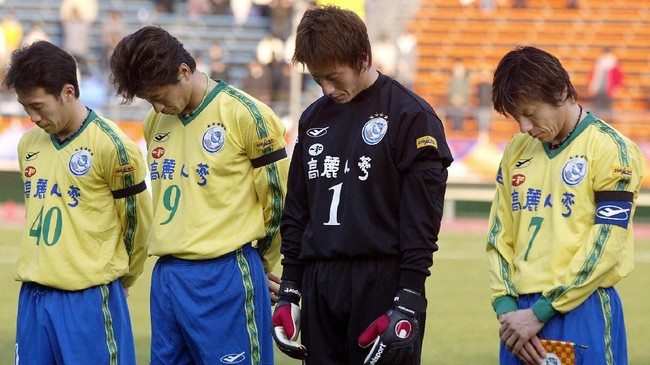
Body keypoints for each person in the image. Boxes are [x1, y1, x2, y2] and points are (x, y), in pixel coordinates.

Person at [271, 6, 453, 365]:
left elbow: (422, 221)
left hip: (382, 284)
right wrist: (291, 288)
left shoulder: (411, 117)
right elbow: (299, 209)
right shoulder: (313, 119)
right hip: (320, 284)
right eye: (317, 78)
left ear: (364, 58)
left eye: (334, 77)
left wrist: (410, 298)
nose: (326, 88)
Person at [109, 26, 289, 364]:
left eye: (159, 96)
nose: (158, 107)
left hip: (225, 274)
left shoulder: (246, 115)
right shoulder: (155, 122)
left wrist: (258, 266)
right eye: (150, 100)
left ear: (184, 71)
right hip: (167, 278)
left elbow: (279, 202)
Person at [487, 46, 645, 365]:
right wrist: (507, 311)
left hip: (581, 308)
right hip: (517, 320)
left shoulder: (611, 150)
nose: (524, 127)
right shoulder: (517, 150)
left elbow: (605, 244)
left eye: (530, 114)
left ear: (560, 92)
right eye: (517, 117)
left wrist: (542, 311)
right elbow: (499, 233)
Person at [4, 40, 152, 364]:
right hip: (33, 297)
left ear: (68, 92)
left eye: (38, 106)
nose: (32, 117)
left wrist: (123, 279)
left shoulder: (113, 147)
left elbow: (137, 225)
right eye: (25, 106)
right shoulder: (28, 144)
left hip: (89, 298)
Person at [587, 47, 623, 122]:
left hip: (608, 89)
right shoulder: (598, 64)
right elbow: (593, 76)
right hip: (599, 88)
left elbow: (618, 77)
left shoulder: (613, 65)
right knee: (598, 106)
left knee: (607, 106)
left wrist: (616, 87)